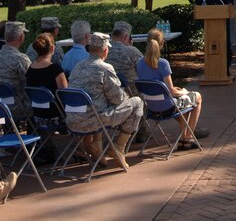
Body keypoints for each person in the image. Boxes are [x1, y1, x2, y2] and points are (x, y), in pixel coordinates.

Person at [67, 32, 143, 170]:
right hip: (94, 120)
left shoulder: (77, 67)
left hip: (73, 120)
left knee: (99, 103)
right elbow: (117, 98)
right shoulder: (105, 68)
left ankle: (96, 143)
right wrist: (126, 98)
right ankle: (119, 147)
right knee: (137, 102)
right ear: (105, 50)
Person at [136, 28, 206, 148]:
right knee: (197, 97)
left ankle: (183, 139)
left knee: (182, 104)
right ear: (162, 43)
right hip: (167, 108)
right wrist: (183, 91)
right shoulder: (163, 63)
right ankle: (188, 138)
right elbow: (172, 91)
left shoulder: (140, 63)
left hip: (151, 109)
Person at [25, 32, 69, 165]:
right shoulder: (55, 69)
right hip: (55, 117)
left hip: (36, 116)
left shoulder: (30, 69)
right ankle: (82, 150)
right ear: (52, 48)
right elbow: (65, 93)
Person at [195, 0, 234, 74]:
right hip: (210, 22)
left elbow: (230, 1)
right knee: (212, 45)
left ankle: (225, 69)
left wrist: (228, 8)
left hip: (223, 20)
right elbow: (198, 2)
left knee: (226, 45)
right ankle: (212, 70)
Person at [0, 20, 31, 119]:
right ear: (21, 37)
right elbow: (31, 81)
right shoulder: (20, 59)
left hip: (1, 106)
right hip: (18, 107)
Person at [106, 21, 143, 88]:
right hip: (132, 93)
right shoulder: (132, 51)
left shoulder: (104, 51)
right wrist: (131, 48)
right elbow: (144, 69)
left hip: (110, 91)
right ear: (126, 37)